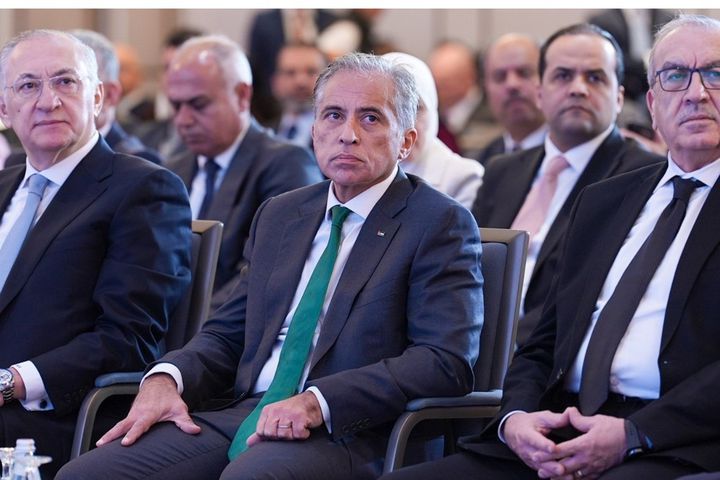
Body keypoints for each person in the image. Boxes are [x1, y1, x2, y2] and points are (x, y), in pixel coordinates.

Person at [56, 52, 482, 480]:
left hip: (354, 430)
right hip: (247, 411)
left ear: (406, 140)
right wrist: (168, 379)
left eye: (370, 118)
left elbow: (444, 360)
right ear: (314, 130)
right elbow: (230, 331)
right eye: (333, 115)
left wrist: (318, 402)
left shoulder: (438, 221)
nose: (347, 135)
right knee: (87, 475)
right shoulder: (282, 213)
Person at [381, 14, 720, 479]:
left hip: (669, 440)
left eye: (715, 74)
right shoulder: (605, 200)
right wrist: (515, 419)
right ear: (653, 103)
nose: (696, 93)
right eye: (676, 76)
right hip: (556, 426)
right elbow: (542, 343)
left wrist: (634, 434)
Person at [0, 29, 191, 475]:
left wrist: (11, 382)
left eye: (66, 82)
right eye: (28, 85)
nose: (48, 101)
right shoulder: (4, 184)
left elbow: (129, 339)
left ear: (98, 97)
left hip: (46, 418)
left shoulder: (143, 188)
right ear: (4, 108)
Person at [471, 23, 663, 346]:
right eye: (563, 76)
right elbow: (467, 269)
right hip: (475, 345)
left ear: (618, 98)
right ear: (540, 93)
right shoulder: (502, 170)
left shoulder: (643, 175)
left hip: (548, 355)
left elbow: (593, 300)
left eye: (595, 78)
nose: (578, 89)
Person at [162, 34, 323, 301]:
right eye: (176, 106)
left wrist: (194, 322)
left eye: (198, 104)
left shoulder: (287, 165)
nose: (183, 120)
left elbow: (268, 273)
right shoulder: (172, 170)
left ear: (241, 95)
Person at [383, 51, 484, 209]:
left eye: (416, 109)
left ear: (432, 111)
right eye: (392, 109)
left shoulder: (463, 176)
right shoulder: (358, 170)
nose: (406, 123)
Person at [69, 29, 163, 164]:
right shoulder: (42, 157)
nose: (52, 100)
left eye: (69, 82)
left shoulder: (139, 165)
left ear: (109, 95)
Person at [477, 33, 547, 166]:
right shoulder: (484, 161)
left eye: (524, 73)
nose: (512, 84)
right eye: (500, 76)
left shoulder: (565, 154)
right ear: (485, 88)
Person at [428, 40, 502, 159]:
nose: (438, 89)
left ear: (470, 77)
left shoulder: (495, 115)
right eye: (435, 81)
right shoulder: (429, 114)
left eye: (446, 82)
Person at [271, 43, 328, 149]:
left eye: (311, 72)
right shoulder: (262, 136)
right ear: (275, 82)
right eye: (290, 73)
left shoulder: (339, 137)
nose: (301, 82)